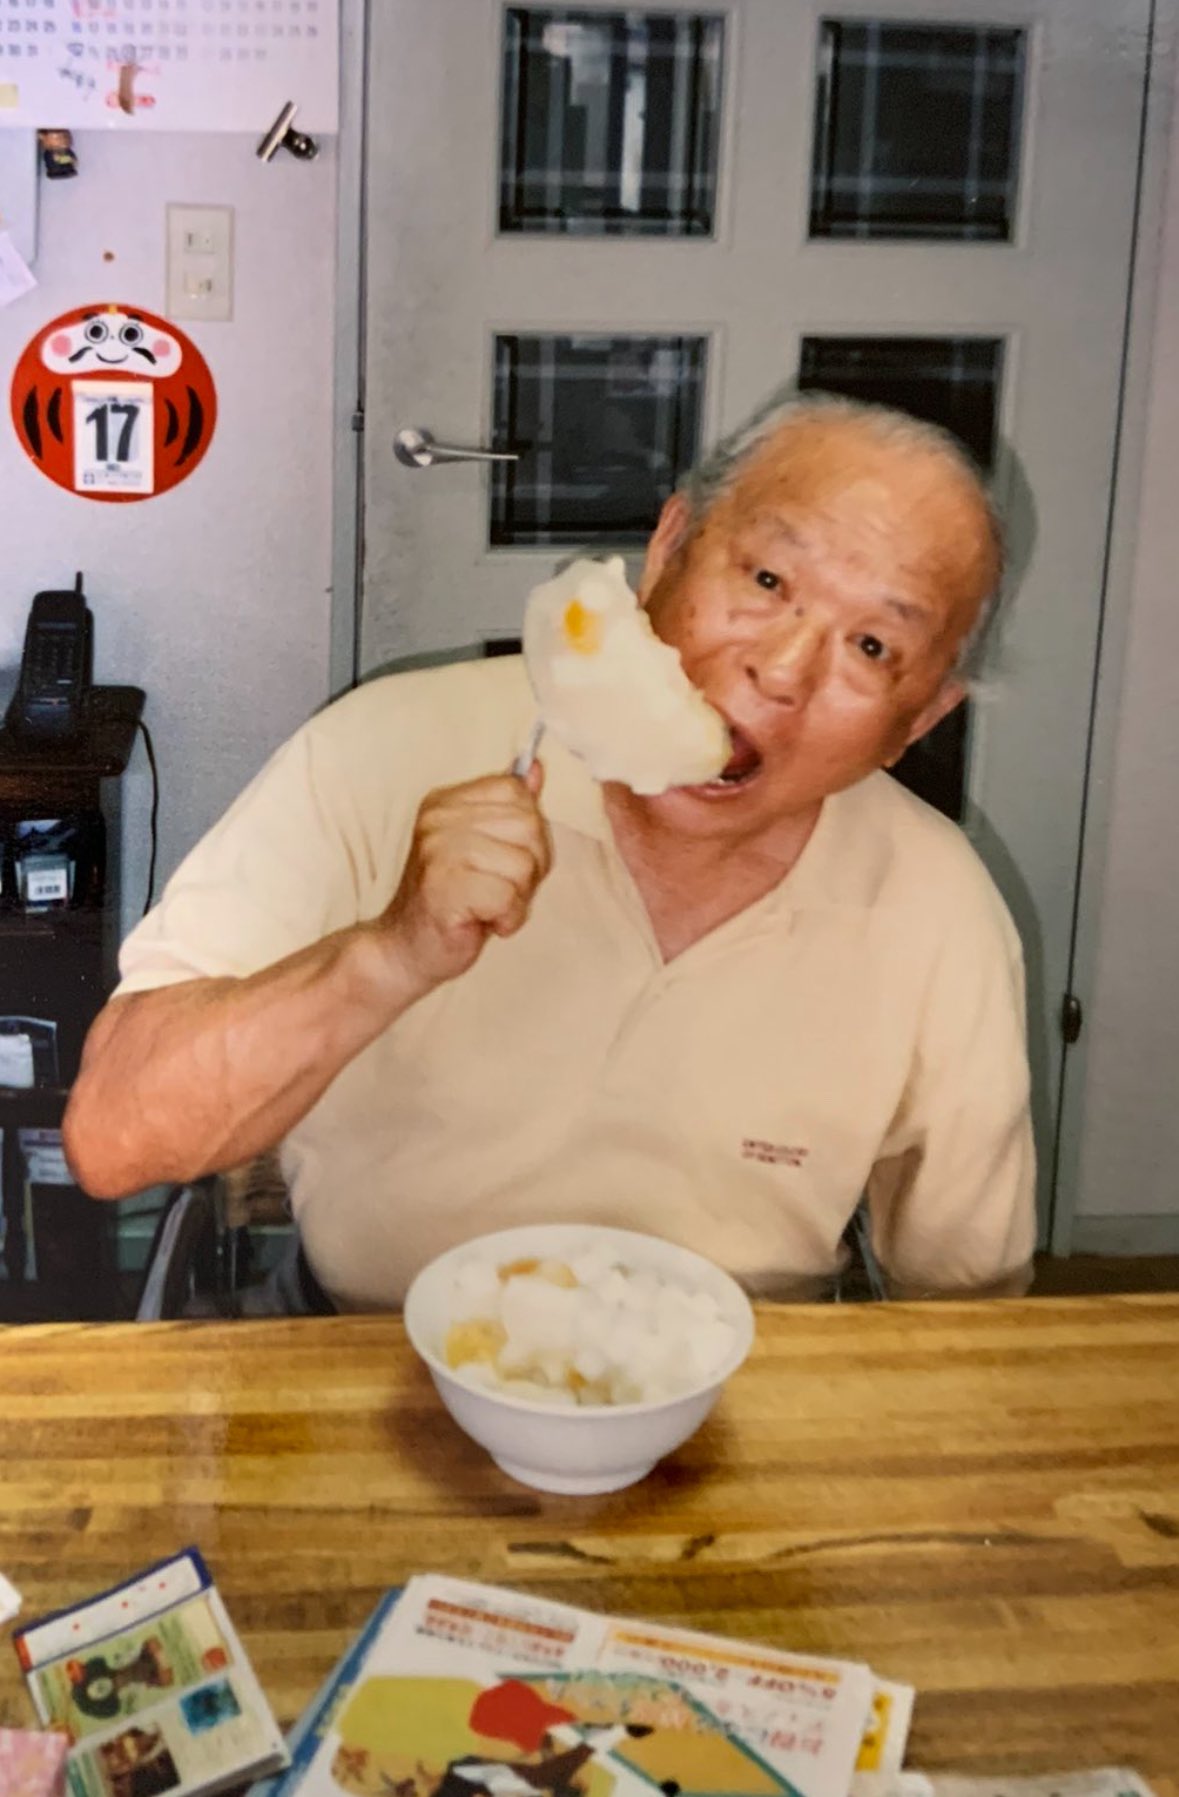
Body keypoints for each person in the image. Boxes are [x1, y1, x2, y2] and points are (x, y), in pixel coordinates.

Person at [63, 388, 1036, 1310]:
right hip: (361, 1337)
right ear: (668, 549)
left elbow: (969, 1317)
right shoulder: (383, 749)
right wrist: (390, 954)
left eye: (872, 647)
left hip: (750, 1376)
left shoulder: (938, 906)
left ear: (920, 719)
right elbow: (115, 1137)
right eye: (767, 580)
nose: (782, 672)